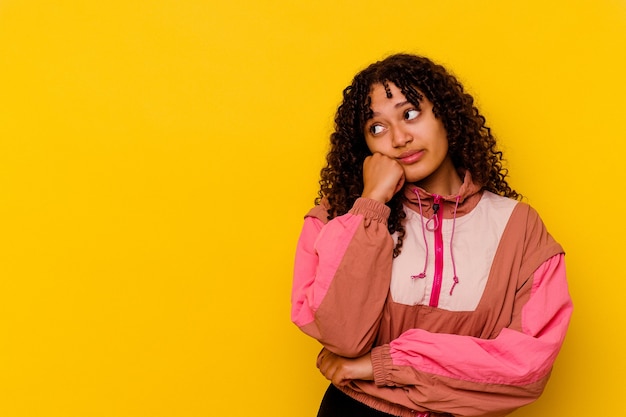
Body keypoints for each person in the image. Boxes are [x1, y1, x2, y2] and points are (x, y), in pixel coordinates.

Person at [291, 53, 573, 417]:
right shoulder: (340, 218)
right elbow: (342, 336)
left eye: (410, 114)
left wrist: (382, 364)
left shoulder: (518, 228)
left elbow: (527, 367)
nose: (399, 138)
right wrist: (372, 201)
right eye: (377, 127)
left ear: (446, 115)